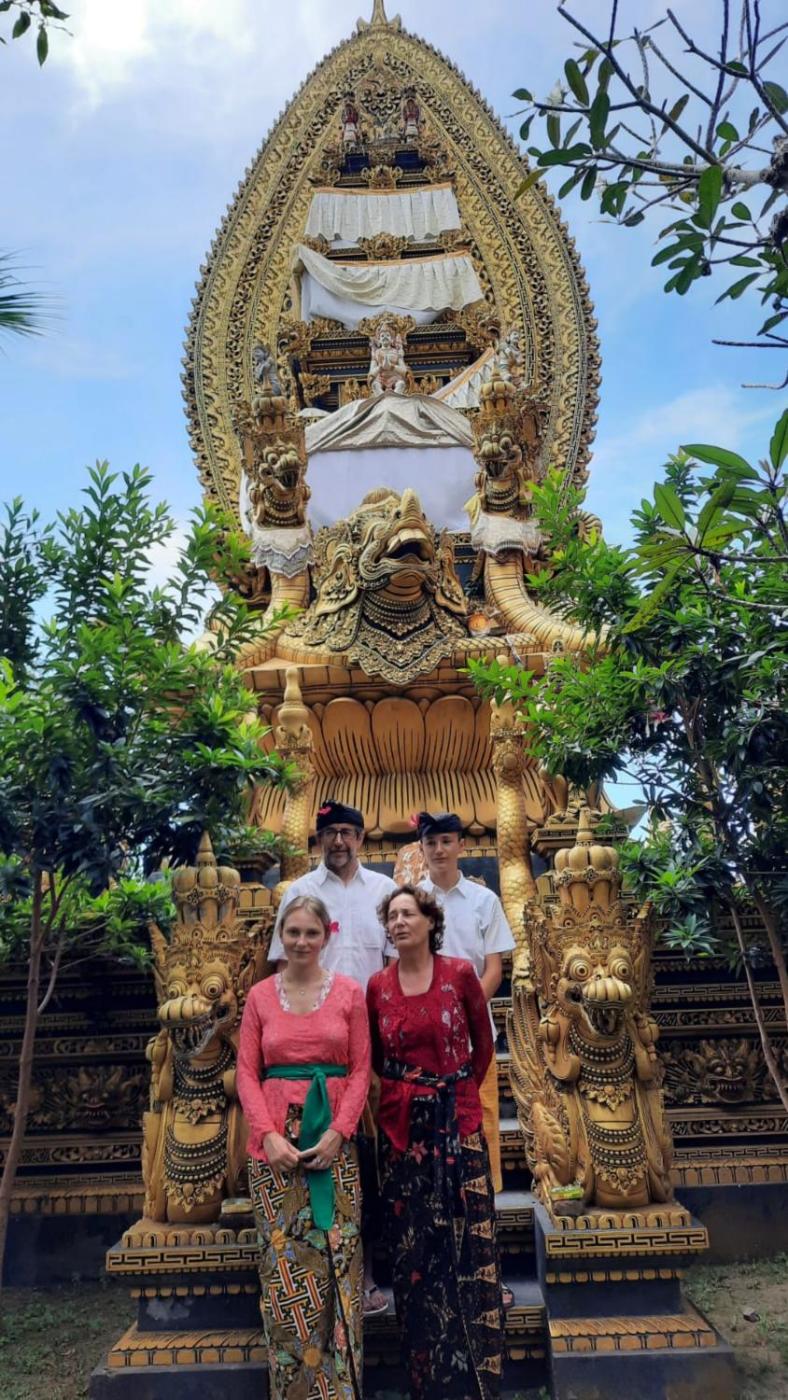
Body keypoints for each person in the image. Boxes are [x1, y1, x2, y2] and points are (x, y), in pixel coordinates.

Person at [367, 885, 504, 1400]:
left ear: (430, 921)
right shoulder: (377, 986)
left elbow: (482, 1044)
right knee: (414, 1253)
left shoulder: (460, 974)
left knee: (467, 1244)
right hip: (403, 1136)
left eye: (408, 913)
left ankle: (477, 1378)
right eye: (392, 916)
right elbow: (378, 1057)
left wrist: (454, 1095)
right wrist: (415, 1095)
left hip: (457, 1125)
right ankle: (426, 1380)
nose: (399, 922)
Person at [267, 797, 397, 1316]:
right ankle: (309, 1277)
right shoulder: (299, 893)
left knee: (369, 1164)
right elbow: (279, 972)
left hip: (371, 1051)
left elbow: (394, 967)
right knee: (312, 1164)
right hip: (308, 1057)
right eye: (330, 833)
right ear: (318, 839)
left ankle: (367, 1275)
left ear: (361, 838)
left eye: (347, 832)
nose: (338, 841)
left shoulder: (384, 892)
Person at [237, 895, 371, 1400]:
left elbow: (360, 1069)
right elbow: (246, 1073)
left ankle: (340, 1392)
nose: (301, 941)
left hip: (334, 1148)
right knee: (284, 1274)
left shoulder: (349, 993)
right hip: (274, 1154)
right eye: (292, 932)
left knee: (339, 1264)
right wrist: (268, 1134)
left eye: (311, 933)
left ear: (326, 936)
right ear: (281, 935)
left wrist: (339, 1132)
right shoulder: (259, 997)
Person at [416, 812, 515, 1205]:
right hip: (424, 1033)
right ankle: (434, 1199)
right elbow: (400, 966)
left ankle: (485, 1196)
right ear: (422, 848)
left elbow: (494, 969)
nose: (439, 849)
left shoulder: (484, 900)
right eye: (431, 842)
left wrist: (463, 1012)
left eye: (446, 841)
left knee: (482, 1112)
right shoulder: (411, 902)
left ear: (461, 845)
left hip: (475, 1031)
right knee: (428, 1116)